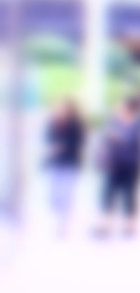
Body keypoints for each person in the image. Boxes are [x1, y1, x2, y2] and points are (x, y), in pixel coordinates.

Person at [94, 97, 140, 238]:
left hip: (131, 165)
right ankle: (104, 225)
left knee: (129, 196)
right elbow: (104, 139)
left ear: (129, 109)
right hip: (113, 164)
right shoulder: (113, 121)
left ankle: (129, 226)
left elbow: (135, 143)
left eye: (121, 107)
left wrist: (119, 137)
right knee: (107, 194)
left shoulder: (138, 124)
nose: (118, 109)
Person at [42, 98, 86, 236]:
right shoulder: (52, 123)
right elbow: (46, 138)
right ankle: (57, 218)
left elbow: (79, 143)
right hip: (54, 163)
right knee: (53, 195)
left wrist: (63, 147)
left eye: (63, 109)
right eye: (58, 108)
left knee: (67, 195)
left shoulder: (76, 125)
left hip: (70, 164)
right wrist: (52, 147)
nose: (60, 111)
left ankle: (62, 225)